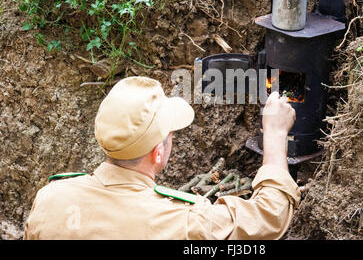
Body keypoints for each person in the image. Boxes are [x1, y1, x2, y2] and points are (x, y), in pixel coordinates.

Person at [24, 76, 300, 239]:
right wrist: (274, 134)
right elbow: (270, 215)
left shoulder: (50, 198)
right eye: (170, 134)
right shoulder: (183, 221)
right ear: (158, 152)